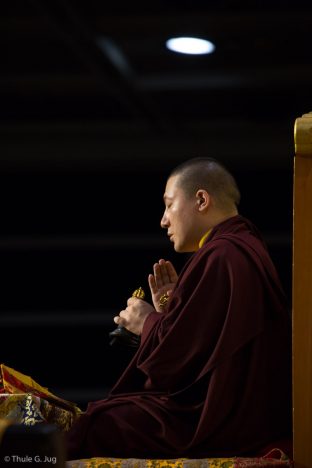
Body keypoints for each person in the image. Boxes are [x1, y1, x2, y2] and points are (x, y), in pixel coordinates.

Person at [66, 157, 292, 460]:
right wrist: (170, 310)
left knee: (98, 424)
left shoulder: (222, 255)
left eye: (169, 204)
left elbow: (175, 369)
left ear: (201, 199)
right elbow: (201, 350)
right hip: (240, 414)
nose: (163, 220)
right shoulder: (241, 247)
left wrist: (146, 321)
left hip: (214, 423)